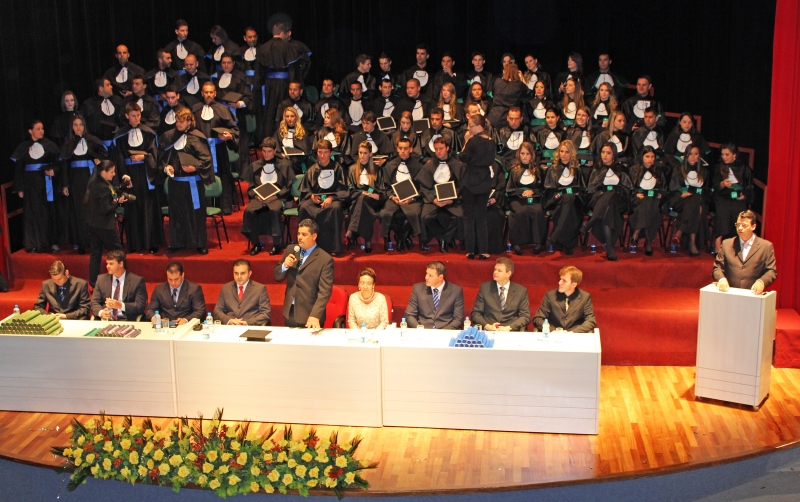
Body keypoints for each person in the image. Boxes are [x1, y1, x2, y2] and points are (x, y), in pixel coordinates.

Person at [158, 107, 213, 255]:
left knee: (196, 214)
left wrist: (195, 167)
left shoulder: (197, 138)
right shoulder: (170, 137)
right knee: (176, 213)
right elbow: (162, 157)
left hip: (192, 183)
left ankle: (199, 243)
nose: (178, 124)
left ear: (189, 121)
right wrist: (167, 167)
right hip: (176, 183)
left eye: (181, 121)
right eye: (177, 121)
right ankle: (177, 243)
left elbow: (206, 160)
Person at [111, 102, 164, 254]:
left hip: (146, 174)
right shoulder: (120, 136)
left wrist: (144, 157)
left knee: (149, 208)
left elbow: (155, 155)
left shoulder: (149, 133)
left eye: (138, 115)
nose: (136, 118)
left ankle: (152, 243)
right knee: (133, 209)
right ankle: (135, 244)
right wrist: (124, 175)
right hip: (129, 175)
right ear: (127, 116)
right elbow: (118, 157)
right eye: (133, 116)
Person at [59, 114, 107, 254]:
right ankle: (81, 242)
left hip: (90, 177)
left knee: (92, 210)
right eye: (75, 125)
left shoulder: (92, 140)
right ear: (71, 127)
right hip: (75, 180)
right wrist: (65, 185)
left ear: (85, 126)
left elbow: (104, 155)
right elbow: (64, 165)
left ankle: (94, 242)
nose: (78, 127)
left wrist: (98, 160)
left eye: (80, 124)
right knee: (79, 211)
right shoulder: (68, 144)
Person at [11, 120, 61, 253]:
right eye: (38, 128)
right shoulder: (23, 147)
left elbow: (58, 163)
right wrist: (19, 187)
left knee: (49, 212)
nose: (41, 131)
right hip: (30, 184)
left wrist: (53, 170)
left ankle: (53, 242)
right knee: (32, 213)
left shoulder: (50, 146)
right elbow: (19, 169)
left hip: (46, 183)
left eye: (42, 128)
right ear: (30, 131)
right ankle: (34, 243)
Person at [273, 219, 334, 328]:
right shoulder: (291, 250)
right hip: (290, 311)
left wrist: (315, 315)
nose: (300, 237)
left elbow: (325, 291)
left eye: (304, 235)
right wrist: (284, 266)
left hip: (310, 314)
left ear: (314, 236)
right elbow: (277, 276)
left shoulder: (325, 259)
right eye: (298, 234)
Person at [192, 81, 239, 215]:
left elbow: (234, 129)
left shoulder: (222, 109)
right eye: (206, 92)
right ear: (202, 93)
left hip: (218, 149)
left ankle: (223, 207)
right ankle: (204, 206)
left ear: (215, 93)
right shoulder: (195, 109)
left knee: (222, 176)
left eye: (211, 92)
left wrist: (229, 136)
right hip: (200, 151)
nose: (208, 95)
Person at [241, 137, 293, 255]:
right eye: (264, 151)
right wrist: (256, 196)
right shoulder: (255, 165)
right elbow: (251, 187)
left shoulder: (284, 165)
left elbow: (287, 187)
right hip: (259, 198)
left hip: (276, 197)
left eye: (269, 151)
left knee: (275, 210)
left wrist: (275, 196)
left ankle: (276, 244)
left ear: (274, 151)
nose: (266, 154)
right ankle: (256, 243)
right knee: (249, 211)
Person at [581, 143, 632, 261]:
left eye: (608, 153)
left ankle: (590, 223)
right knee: (608, 202)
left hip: (618, 200)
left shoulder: (621, 169)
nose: (605, 155)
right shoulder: (596, 169)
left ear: (614, 155)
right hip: (599, 199)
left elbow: (627, 189)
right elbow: (591, 189)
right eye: (603, 152)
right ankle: (609, 246)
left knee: (611, 195)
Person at [298, 140, 348, 256]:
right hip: (316, 200)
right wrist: (311, 196)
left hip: (333, 200)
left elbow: (344, 190)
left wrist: (331, 197)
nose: (322, 155)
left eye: (325, 152)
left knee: (335, 208)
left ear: (330, 153)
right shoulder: (312, 169)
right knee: (304, 207)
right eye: (320, 152)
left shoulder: (338, 168)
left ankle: (334, 247)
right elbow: (305, 190)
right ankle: (307, 245)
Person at [418, 136, 466, 253]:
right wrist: (433, 199)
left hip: (452, 199)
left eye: (441, 148)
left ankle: (445, 239)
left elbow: (463, 186)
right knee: (425, 217)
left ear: (447, 148)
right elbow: (423, 187)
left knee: (460, 216)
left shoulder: (457, 165)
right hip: (434, 199)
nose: (438, 151)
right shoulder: (428, 166)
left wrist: (452, 200)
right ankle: (442, 238)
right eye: (436, 149)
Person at [458, 115, 496, 260]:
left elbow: (462, 157)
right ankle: (484, 251)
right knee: (481, 217)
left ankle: (470, 250)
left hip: (470, 180)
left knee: (469, 216)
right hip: (484, 181)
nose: (468, 128)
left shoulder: (472, 141)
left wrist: (466, 141)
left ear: (479, 126)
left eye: (470, 126)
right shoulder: (491, 142)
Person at [256, 21, 302, 139]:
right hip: (285, 85)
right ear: (282, 33)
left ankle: (268, 139)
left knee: (269, 112)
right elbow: (293, 71)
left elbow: (259, 74)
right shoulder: (289, 48)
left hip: (268, 86)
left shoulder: (262, 48)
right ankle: (284, 138)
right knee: (285, 110)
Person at [713, 210, 777, 294]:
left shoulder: (765, 247)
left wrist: (762, 281)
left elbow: (771, 271)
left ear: (753, 226)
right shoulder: (727, 244)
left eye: (744, 225)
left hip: (753, 294)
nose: (740, 228)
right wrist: (721, 279)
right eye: (738, 224)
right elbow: (717, 268)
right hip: (730, 293)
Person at [85, 160, 125, 286]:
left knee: (96, 253)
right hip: (104, 225)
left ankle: (93, 282)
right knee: (118, 252)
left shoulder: (94, 184)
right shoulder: (103, 188)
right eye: (111, 172)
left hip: (93, 224)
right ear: (103, 172)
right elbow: (106, 209)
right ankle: (121, 279)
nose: (114, 174)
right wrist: (116, 202)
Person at [381, 137, 424, 251]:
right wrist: (392, 197)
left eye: (405, 148)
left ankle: (400, 238)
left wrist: (412, 199)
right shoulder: (390, 165)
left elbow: (422, 188)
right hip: (394, 197)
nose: (402, 151)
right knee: (384, 214)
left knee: (415, 213)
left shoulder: (418, 166)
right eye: (400, 148)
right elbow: (385, 187)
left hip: (412, 198)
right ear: (397, 149)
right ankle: (404, 237)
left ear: (411, 149)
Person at [211, 52, 254, 166]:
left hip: (236, 115)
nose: (226, 65)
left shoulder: (240, 77)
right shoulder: (216, 78)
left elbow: (249, 97)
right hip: (220, 116)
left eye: (228, 62)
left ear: (233, 63)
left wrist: (239, 104)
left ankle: (242, 171)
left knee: (240, 144)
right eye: (223, 63)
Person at [543, 140, 585, 255]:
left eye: (567, 152)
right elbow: (548, 188)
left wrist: (571, 193)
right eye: (561, 151)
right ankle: (569, 244)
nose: (563, 154)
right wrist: (559, 194)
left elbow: (582, 189)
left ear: (572, 153)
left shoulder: (577, 169)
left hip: (574, 201)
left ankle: (556, 237)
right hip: (557, 201)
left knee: (570, 200)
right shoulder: (552, 169)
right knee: (568, 200)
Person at [667, 144, 710, 256]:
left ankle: (680, 233)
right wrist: (682, 194)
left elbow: (707, 191)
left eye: (696, 154)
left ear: (699, 156)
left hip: (696, 202)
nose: (693, 157)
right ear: (686, 155)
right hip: (680, 200)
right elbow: (672, 188)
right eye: (690, 154)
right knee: (697, 206)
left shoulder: (704, 171)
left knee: (696, 202)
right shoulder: (678, 168)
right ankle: (691, 242)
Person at [506, 142, 547, 255]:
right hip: (517, 199)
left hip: (534, 198)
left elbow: (542, 188)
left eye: (527, 154)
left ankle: (539, 242)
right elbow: (509, 189)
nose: (524, 156)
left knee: (538, 211)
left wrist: (532, 191)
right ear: (518, 154)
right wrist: (522, 192)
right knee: (520, 211)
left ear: (532, 155)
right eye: (522, 153)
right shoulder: (513, 170)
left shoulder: (537, 170)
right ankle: (516, 243)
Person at [345, 141, 386, 253]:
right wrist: (362, 193)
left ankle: (351, 232)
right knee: (362, 199)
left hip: (373, 200)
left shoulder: (377, 170)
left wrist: (375, 195)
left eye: (365, 153)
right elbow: (349, 190)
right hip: (357, 199)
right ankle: (367, 240)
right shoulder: (351, 169)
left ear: (370, 154)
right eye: (360, 153)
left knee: (363, 200)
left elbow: (382, 190)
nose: (362, 156)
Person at [713, 143, 753, 252]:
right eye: (722, 154)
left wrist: (744, 195)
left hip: (738, 198)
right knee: (722, 209)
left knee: (739, 211)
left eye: (727, 154)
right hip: (723, 197)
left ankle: (736, 247)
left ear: (734, 154)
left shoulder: (744, 168)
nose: (724, 157)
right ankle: (718, 246)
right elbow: (715, 185)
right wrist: (723, 184)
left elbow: (749, 186)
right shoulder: (719, 167)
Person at [472, 257, 531, 331]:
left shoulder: (521, 291)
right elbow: (476, 314)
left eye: (499, 270)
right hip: (490, 330)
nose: (495, 272)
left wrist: (509, 327)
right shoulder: (485, 288)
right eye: (495, 269)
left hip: (510, 331)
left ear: (508, 273)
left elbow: (525, 316)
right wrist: (487, 326)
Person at [533, 266, 596, 333]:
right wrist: (553, 330)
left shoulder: (585, 297)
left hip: (574, 335)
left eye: (564, 281)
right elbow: (538, 319)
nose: (559, 282)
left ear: (574, 284)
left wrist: (573, 332)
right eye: (560, 279)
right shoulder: (550, 295)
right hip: (553, 334)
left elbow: (590, 320)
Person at [405, 261, 464, 330]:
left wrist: (441, 333)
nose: (426, 277)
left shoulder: (456, 291)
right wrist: (419, 329)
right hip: (423, 330)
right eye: (426, 274)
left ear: (440, 277)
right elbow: (409, 315)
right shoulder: (418, 289)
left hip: (445, 330)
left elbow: (458, 319)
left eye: (430, 275)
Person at [629, 146, 666, 256]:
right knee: (647, 204)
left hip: (654, 201)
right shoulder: (634, 170)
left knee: (650, 204)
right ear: (642, 157)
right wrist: (635, 194)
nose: (650, 159)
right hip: (638, 202)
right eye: (647, 156)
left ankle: (636, 232)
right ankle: (648, 242)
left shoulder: (658, 171)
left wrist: (661, 195)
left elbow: (664, 189)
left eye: (652, 157)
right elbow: (629, 188)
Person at [90, 250, 148, 320]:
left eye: (111, 264)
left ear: (121, 264)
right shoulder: (101, 279)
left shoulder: (137, 281)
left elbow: (140, 306)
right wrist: (101, 312)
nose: (107, 266)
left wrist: (121, 305)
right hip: (107, 319)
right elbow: (94, 302)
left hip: (127, 320)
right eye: (107, 263)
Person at [214, 259, 271, 326]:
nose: (239, 277)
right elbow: (217, 311)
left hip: (250, 327)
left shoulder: (260, 289)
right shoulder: (226, 288)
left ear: (249, 273)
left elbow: (265, 313)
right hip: (230, 327)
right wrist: (229, 320)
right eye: (236, 273)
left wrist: (247, 322)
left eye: (242, 273)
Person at [79, 78, 122, 148]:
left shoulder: (117, 101)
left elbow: (123, 118)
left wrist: (120, 127)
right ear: (101, 88)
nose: (111, 86)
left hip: (117, 143)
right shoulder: (89, 104)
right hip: (96, 145)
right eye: (108, 85)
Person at [487, 62, 527, 129]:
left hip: (495, 116)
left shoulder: (497, 82)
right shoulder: (519, 85)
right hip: (511, 118)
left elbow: (493, 94)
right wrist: (522, 78)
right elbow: (528, 94)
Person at [275, 106, 313, 175]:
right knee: (282, 164)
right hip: (283, 157)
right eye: (287, 116)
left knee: (289, 164)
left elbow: (306, 150)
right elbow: (276, 147)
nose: (289, 119)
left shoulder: (302, 131)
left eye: (292, 116)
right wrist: (281, 155)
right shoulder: (280, 131)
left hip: (297, 159)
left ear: (296, 117)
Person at [498, 106, 533, 172]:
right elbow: (497, 153)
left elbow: (534, 150)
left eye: (517, 119)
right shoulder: (501, 132)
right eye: (511, 119)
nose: (514, 122)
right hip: (505, 167)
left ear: (521, 119)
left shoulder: (527, 131)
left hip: (524, 166)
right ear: (507, 118)